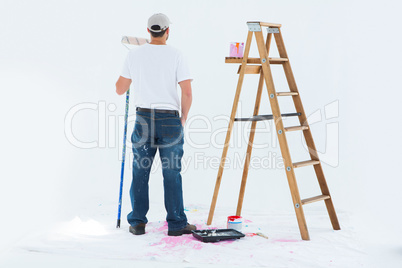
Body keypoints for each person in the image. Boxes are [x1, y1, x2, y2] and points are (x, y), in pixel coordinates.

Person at [115, 13, 196, 236]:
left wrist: (134, 73)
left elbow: (120, 89)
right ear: (168, 31)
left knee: (140, 170)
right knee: (172, 173)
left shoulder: (134, 55)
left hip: (143, 120)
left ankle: (138, 222)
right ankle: (177, 224)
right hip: (170, 120)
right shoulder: (177, 55)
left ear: (148, 31)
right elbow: (187, 92)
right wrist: (183, 119)